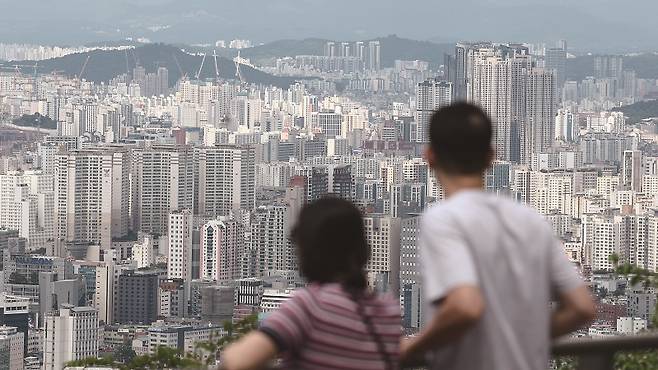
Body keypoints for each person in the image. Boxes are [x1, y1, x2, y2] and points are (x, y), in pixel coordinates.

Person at [400, 102, 596, 370]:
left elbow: (466, 306)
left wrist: (414, 346)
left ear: (429, 156)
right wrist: (524, 339)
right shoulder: (530, 220)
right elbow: (582, 308)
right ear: (492, 156)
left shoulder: (443, 219)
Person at [221, 197, 401, 370]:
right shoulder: (387, 311)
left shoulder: (310, 306)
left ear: (306, 252)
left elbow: (237, 361)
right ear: (363, 250)